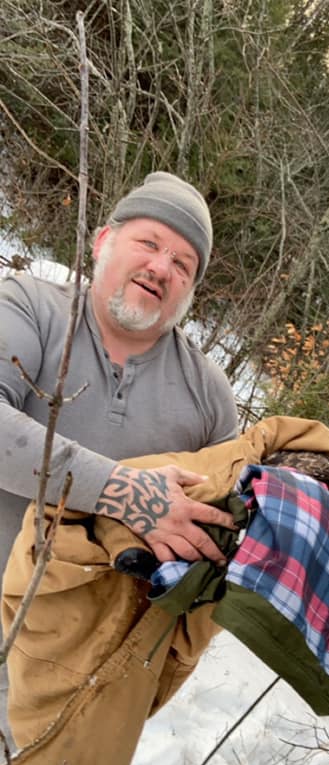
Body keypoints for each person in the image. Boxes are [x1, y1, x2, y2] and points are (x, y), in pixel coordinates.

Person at [0, 171, 240, 590]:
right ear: (102, 242)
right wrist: (124, 492)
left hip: (71, 646)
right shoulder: (30, 307)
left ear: (189, 291)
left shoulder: (209, 396)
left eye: (183, 264)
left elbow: (222, 526)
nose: (161, 267)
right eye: (149, 243)